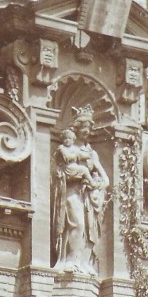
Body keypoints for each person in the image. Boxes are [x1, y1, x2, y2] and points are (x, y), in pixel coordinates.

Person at [52, 114, 110, 274]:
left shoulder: (91, 153)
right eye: (84, 127)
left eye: (89, 128)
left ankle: (83, 262)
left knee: (89, 229)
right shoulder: (65, 150)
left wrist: (97, 184)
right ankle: (69, 261)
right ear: (75, 129)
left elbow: (105, 179)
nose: (87, 131)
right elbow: (58, 172)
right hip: (71, 192)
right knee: (76, 224)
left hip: (88, 196)